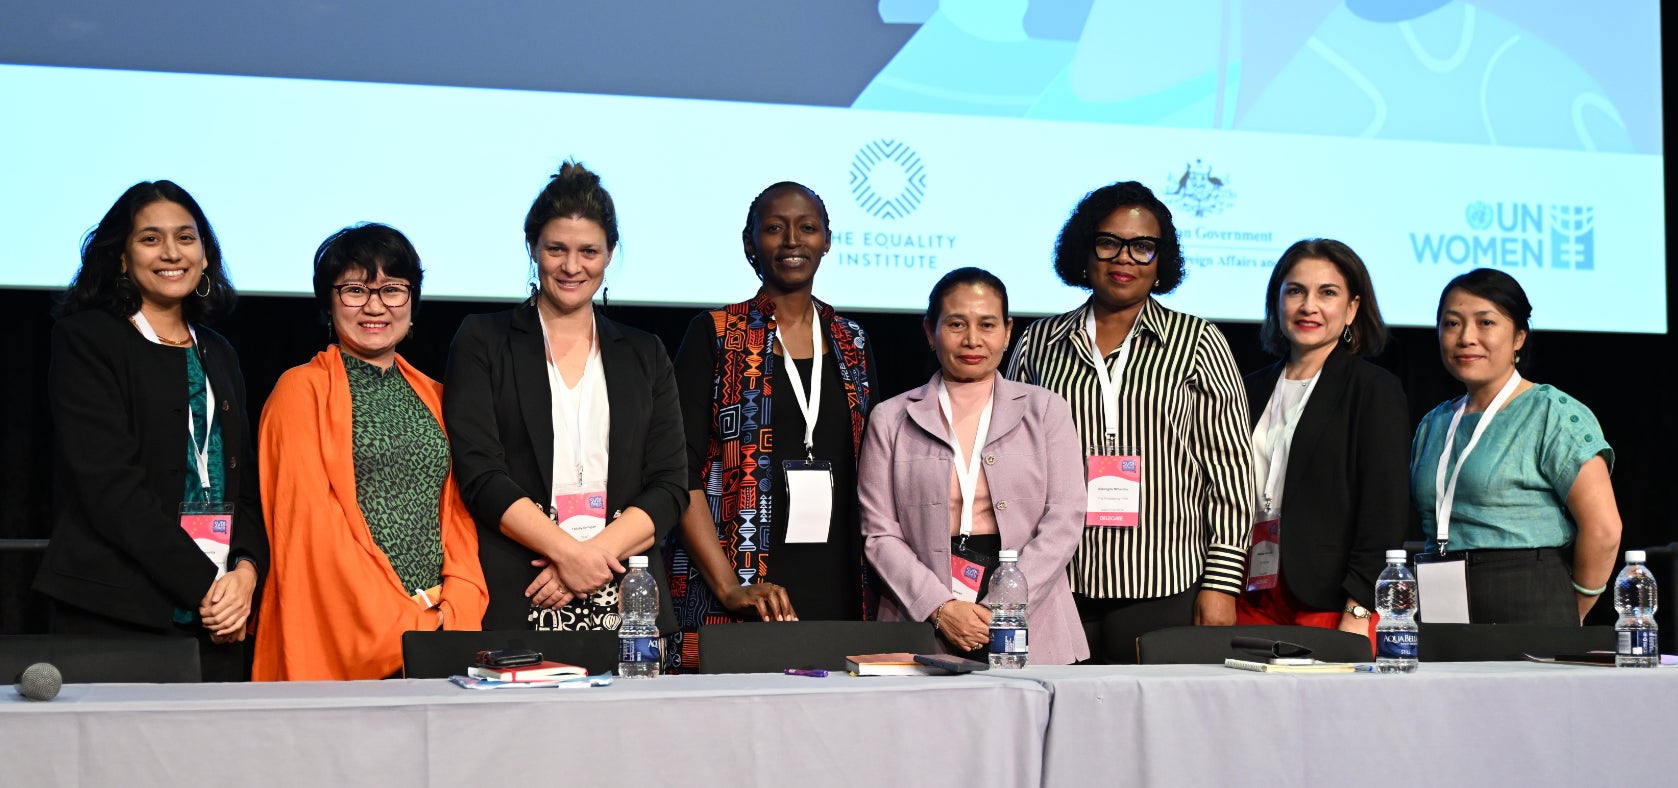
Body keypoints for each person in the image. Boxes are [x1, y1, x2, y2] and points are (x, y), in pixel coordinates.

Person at [1006, 181, 1253, 663]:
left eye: (1143, 247)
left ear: (1161, 260)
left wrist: (1222, 583)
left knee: (1150, 730)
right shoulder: (1039, 343)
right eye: (1108, 243)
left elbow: (1230, 471)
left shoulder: (1198, 342)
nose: (1125, 258)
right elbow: (1016, 467)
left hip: (1165, 582)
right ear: (1085, 250)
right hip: (1059, 582)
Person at [35, 180, 267, 681]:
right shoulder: (87, 340)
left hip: (219, 618)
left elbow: (243, 486)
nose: (171, 253)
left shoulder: (219, 353)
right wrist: (205, 584)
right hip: (116, 614)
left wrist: (245, 574)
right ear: (121, 257)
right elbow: (109, 489)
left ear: (205, 256)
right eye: (150, 239)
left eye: (186, 238)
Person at [444, 161, 686, 639]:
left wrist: (589, 561)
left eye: (588, 251)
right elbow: (480, 475)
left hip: (625, 590)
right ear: (533, 248)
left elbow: (669, 484)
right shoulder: (483, 340)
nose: (572, 266)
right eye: (556, 249)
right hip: (525, 586)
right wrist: (565, 555)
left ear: (610, 254)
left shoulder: (644, 353)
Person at [252, 224, 488, 680]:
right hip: (349, 633)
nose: (375, 305)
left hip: (442, 633)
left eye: (393, 289)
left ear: (413, 302)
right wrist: (403, 624)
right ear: (328, 302)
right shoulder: (300, 391)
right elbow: (308, 531)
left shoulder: (438, 397)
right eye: (356, 289)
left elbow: (458, 517)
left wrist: (455, 608)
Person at [668, 181, 879, 671]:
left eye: (807, 228)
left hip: (839, 583)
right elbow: (678, 472)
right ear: (749, 243)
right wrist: (727, 585)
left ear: (827, 241)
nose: (791, 240)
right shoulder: (716, 334)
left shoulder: (853, 342)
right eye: (773, 228)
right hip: (742, 587)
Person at [860, 268, 1088, 664]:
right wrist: (941, 608)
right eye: (956, 324)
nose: (972, 340)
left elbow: (1065, 518)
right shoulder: (891, 417)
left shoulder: (1046, 409)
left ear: (1007, 331)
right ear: (930, 332)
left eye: (987, 325)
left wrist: (1001, 606)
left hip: (1032, 613)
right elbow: (879, 533)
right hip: (923, 611)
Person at [1411, 268, 1620, 624]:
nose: (1466, 338)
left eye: (1486, 323)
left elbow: (1604, 529)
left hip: (1526, 591)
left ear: (1519, 336)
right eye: (1452, 324)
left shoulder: (1551, 412)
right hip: (1440, 594)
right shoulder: (1435, 423)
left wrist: (1573, 610)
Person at [1236, 239, 1409, 641]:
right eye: (1295, 291)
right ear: (1277, 302)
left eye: (1327, 293)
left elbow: (1383, 511)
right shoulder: (1247, 388)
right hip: (1250, 591)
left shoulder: (1373, 389)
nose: (1308, 306)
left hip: (1330, 601)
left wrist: (1360, 607)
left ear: (1351, 309)